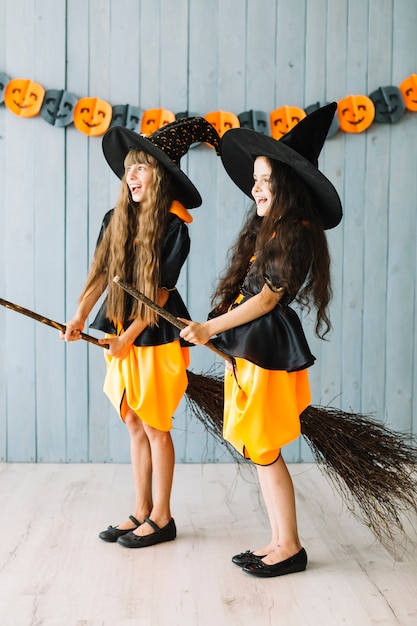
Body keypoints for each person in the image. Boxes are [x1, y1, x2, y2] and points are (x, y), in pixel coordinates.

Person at [179, 103, 343, 576]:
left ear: (287, 184)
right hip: (252, 348)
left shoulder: (293, 232)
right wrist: (214, 325)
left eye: (265, 179)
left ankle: (289, 546)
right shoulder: (268, 232)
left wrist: (212, 328)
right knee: (259, 450)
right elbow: (248, 294)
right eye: (255, 179)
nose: (256, 187)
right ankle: (278, 541)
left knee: (265, 450)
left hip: (266, 347)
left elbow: (268, 300)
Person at [62, 117, 220, 548]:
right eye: (130, 167)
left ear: (161, 177)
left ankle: (163, 517)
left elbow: (160, 298)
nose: (132, 175)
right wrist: (79, 316)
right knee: (132, 420)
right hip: (119, 332)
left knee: (154, 425)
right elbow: (99, 277)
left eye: (142, 167)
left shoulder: (173, 228)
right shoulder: (114, 218)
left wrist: (127, 337)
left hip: (153, 335)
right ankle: (140, 509)